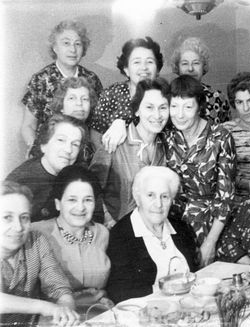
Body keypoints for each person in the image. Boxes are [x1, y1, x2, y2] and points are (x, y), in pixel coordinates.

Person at [164, 75, 236, 266]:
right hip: (174, 227)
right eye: (174, 106)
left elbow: (226, 197)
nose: (179, 114)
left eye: (188, 107)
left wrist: (210, 242)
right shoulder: (167, 135)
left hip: (212, 227)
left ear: (199, 107)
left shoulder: (220, 136)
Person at [106, 166, 198, 303]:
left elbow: (194, 273)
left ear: (172, 200)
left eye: (165, 196)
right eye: (151, 195)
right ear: (137, 198)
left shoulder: (181, 228)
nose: (158, 204)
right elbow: (119, 291)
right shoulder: (121, 235)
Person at [90, 78, 170, 227]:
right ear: (137, 109)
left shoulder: (166, 145)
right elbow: (91, 187)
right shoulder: (115, 141)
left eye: (163, 107)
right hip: (117, 230)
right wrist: (108, 220)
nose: (157, 115)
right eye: (149, 107)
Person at [31, 166, 112, 312]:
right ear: (58, 203)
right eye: (72, 200)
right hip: (55, 318)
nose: (80, 208)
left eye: (88, 200)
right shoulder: (36, 233)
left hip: (98, 313)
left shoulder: (102, 233)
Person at [0, 181, 79, 327]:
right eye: (7, 218)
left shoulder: (36, 240)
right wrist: (44, 307)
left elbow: (58, 286)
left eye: (24, 217)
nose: (18, 227)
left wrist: (66, 310)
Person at [21, 20, 102, 156]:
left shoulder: (91, 79)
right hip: (50, 152)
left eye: (78, 44)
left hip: (84, 152)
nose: (73, 50)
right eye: (66, 43)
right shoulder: (41, 80)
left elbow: (98, 124)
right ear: (55, 47)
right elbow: (28, 126)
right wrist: (38, 151)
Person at [7, 114, 90, 223]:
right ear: (43, 145)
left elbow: (95, 217)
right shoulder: (20, 182)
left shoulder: (79, 174)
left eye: (75, 144)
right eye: (61, 140)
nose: (68, 150)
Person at [89, 37, 163, 153]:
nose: (144, 67)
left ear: (157, 69)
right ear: (126, 69)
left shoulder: (165, 94)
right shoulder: (111, 94)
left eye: (149, 62)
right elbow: (95, 136)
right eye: (137, 62)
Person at [29, 76, 98, 164]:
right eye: (72, 98)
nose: (79, 103)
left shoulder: (92, 134)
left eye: (85, 99)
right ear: (61, 106)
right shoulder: (51, 131)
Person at [170, 37, 230, 124]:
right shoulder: (167, 96)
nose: (190, 69)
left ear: (203, 66)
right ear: (177, 67)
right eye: (185, 63)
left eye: (196, 63)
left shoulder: (218, 98)